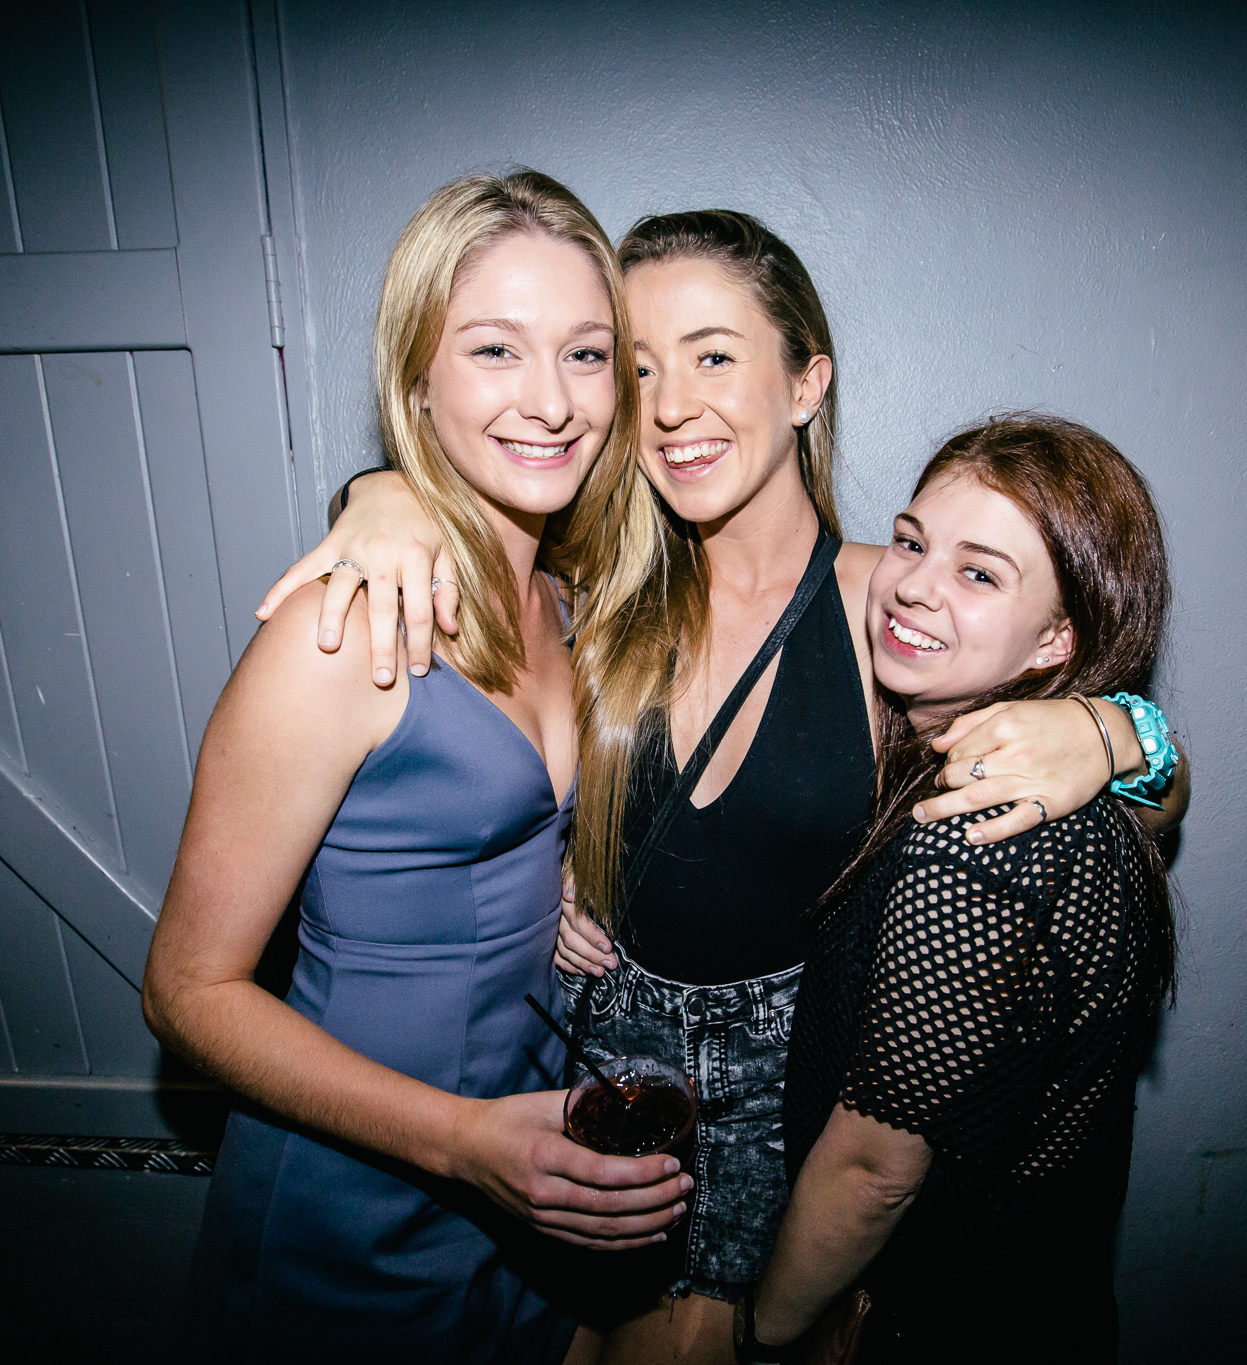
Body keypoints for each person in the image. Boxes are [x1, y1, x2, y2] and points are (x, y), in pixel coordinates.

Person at [257, 211, 1188, 1363]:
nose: (669, 404)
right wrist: (381, 494)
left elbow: (1117, 822)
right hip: (580, 1090)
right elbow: (474, 688)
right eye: (637, 367)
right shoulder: (592, 594)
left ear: (804, 384)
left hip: (776, 1124)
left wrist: (1113, 731)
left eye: (710, 355)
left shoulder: (891, 611)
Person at [140, 171, 690, 1362]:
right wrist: (458, 1142)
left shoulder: (570, 607)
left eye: (586, 356)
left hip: (529, 1190)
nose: (551, 401)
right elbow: (186, 994)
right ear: (416, 380)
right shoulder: (341, 633)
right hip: (355, 1210)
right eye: (494, 350)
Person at [737, 414, 1177, 1363]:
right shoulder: (1023, 783)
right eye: (911, 541)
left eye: (979, 574)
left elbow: (872, 1171)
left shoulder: (976, 838)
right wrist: (1121, 732)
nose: (914, 584)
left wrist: (764, 1332)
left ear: (1056, 638)